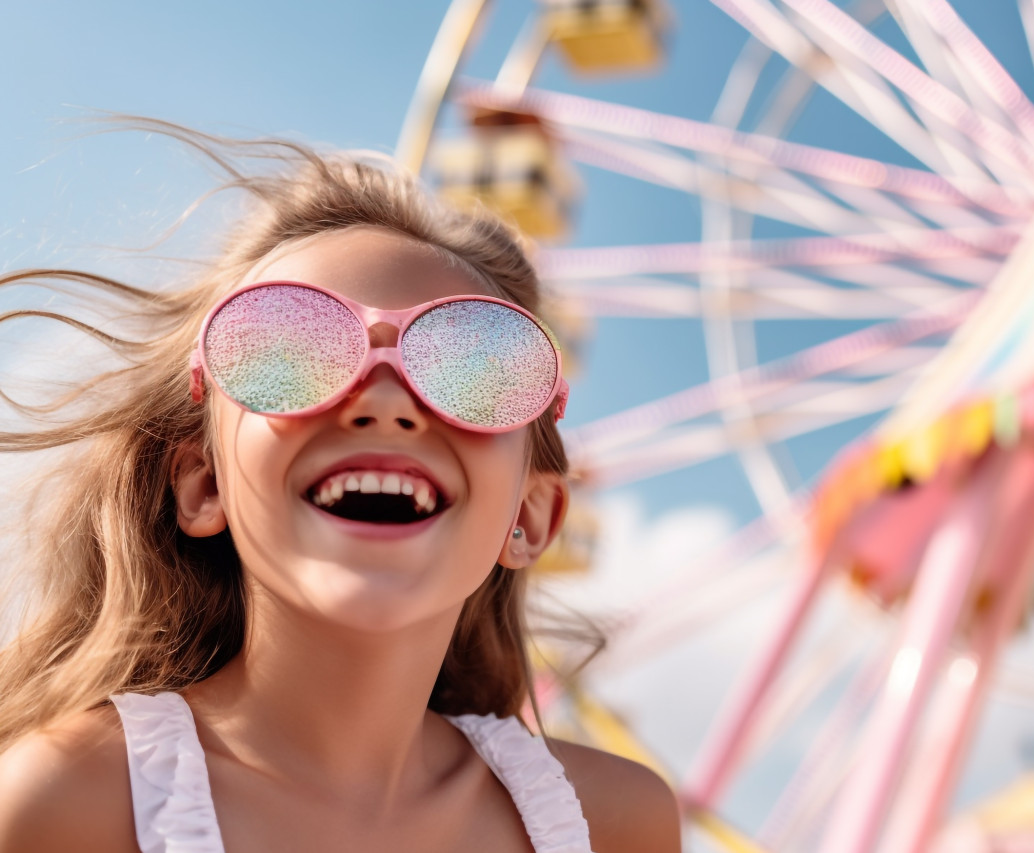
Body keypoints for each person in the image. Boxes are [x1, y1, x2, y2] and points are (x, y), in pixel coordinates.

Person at [0, 125, 682, 853]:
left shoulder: (616, 821)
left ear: (530, 513)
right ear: (202, 484)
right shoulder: (69, 800)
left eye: (476, 371)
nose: (384, 401)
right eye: (289, 355)